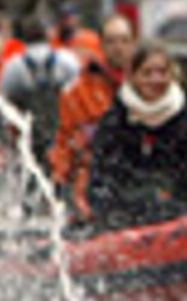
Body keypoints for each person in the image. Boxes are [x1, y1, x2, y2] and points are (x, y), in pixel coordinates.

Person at [85, 41, 187, 229]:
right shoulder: (116, 121)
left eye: (162, 72)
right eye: (147, 73)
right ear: (133, 77)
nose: (156, 80)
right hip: (129, 218)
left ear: (172, 75)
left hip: (181, 218)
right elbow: (100, 179)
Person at [50, 12, 137, 220]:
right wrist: (58, 181)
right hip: (94, 185)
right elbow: (66, 140)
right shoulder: (79, 91)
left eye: (124, 41)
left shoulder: (147, 84)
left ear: (134, 43)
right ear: (102, 45)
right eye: (112, 41)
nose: (118, 47)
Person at [0, 15, 82, 171]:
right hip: (61, 137)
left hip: (27, 141)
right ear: (49, 35)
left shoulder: (13, 67)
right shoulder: (68, 61)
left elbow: (1, 107)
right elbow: (80, 97)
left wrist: (5, 144)